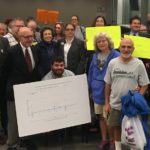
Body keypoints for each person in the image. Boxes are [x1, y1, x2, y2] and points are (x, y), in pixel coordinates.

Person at [104, 38, 149, 150]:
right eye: (123, 47)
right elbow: (107, 84)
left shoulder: (139, 64)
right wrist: (106, 103)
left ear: (133, 49)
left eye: (129, 47)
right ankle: (118, 148)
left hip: (131, 105)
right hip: (115, 103)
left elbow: (145, 84)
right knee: (117, 128)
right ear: (119, 48)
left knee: (132, 129)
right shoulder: (112, 63)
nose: (126, 49)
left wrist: (137, 98)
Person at [1, 27, 40, 150]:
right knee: (13, 120)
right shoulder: (11, 52)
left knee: (28, 117)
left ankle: (26, 139)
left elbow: (35, 70)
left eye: (31, 36)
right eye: (27, 37)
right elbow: (4, 73)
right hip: (14, 92)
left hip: (30, 92)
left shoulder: (35, 49)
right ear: (19, 38)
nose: (30, 39)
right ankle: (12, 144)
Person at [88, 32, 120, 150]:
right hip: (96, 91)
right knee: (101, 117)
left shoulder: (116, 55)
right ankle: (104, 139)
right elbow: (91, 72)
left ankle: (112, 140)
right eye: (99, 41)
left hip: (110, 91)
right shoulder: (95, 56)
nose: (101, 43)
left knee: (110, 118)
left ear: (108, 42)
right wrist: (89, 87)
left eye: (103, 41)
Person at [0, 36, 10, 144]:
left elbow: (7, 61)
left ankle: (6, 131)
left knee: (4, 108)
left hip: (3, 82)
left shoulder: (3, 41)